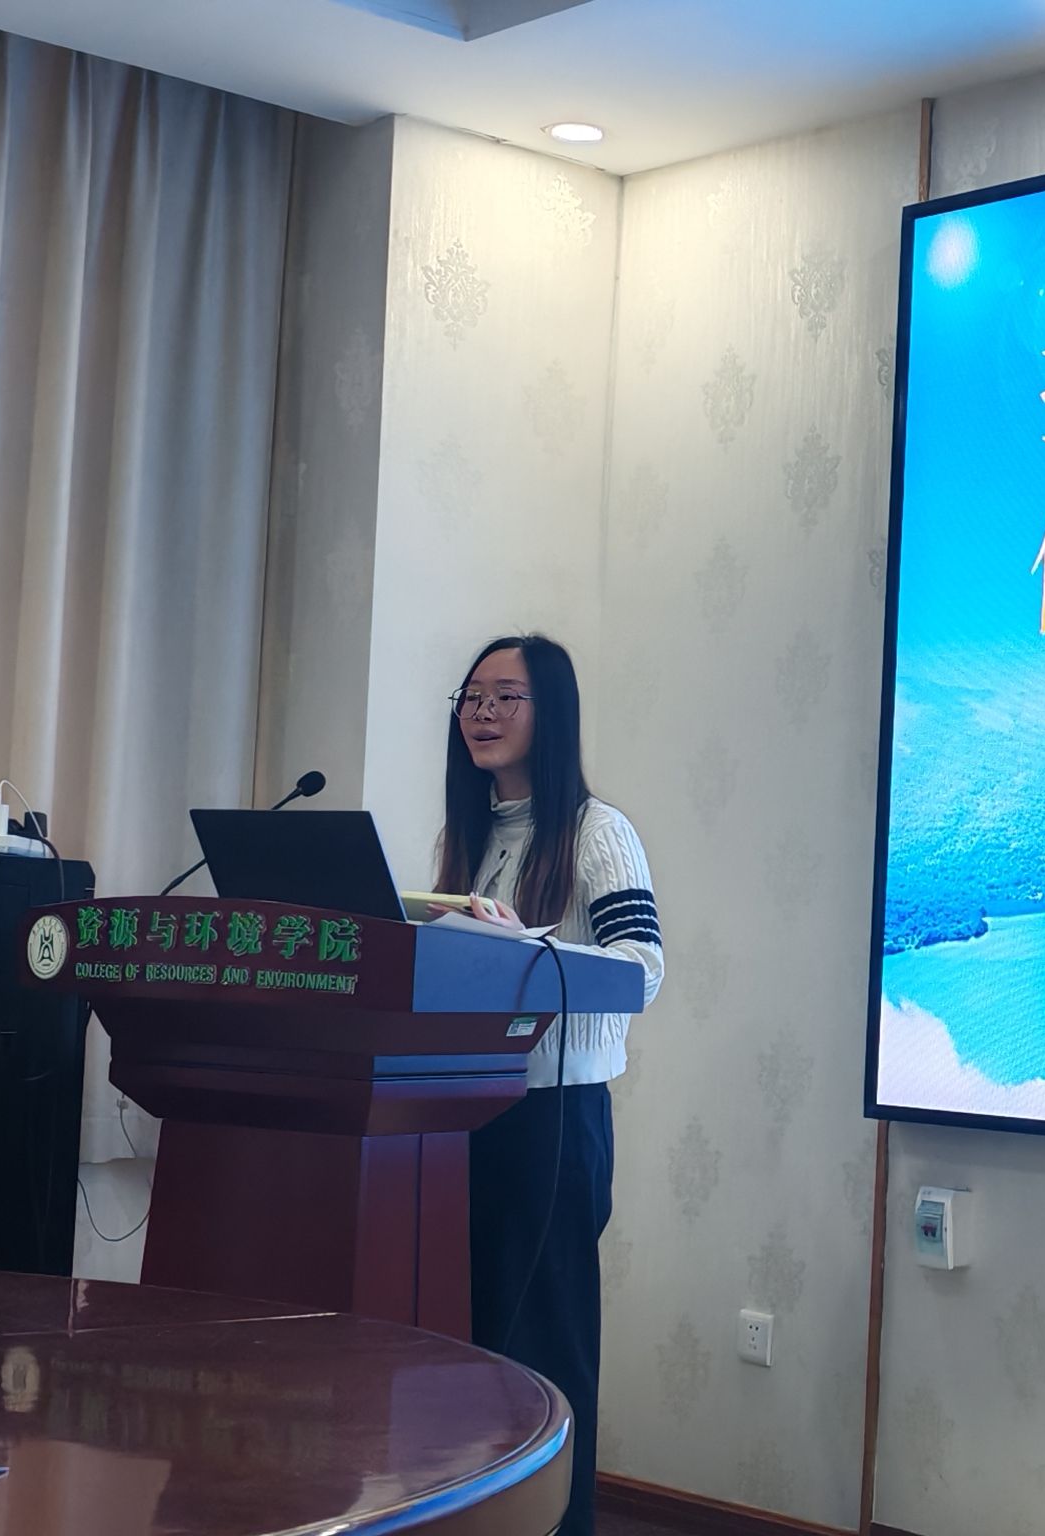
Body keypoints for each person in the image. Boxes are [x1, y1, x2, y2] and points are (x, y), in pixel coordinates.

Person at [436, 634, 662, 1536]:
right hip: (458, 1112)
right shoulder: (466, 836)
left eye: (505, 697)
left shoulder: (598, 834)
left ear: (551, 713)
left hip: (556, 1119)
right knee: (473, 1342)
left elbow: (641, 970)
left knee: (546, 1351)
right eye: (471, 697)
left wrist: (525, 954)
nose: (482, 713)